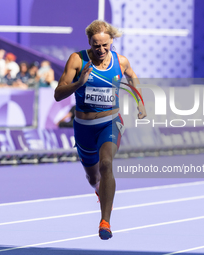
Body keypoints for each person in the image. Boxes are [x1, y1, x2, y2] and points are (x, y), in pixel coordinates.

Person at [54, 20, 146, 240]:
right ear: (89, 43)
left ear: (111, 42)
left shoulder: (120, 61)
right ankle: (99, 189)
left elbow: (133, 77)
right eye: (97, 46)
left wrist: (140, 102)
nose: (102, 50)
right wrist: (79, 83)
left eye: (106, 45)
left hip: (110, 122)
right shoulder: (77, 60)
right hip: (84, 127)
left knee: (106, 164)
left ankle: (105, 222)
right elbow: (58, 94)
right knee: (92, 177)